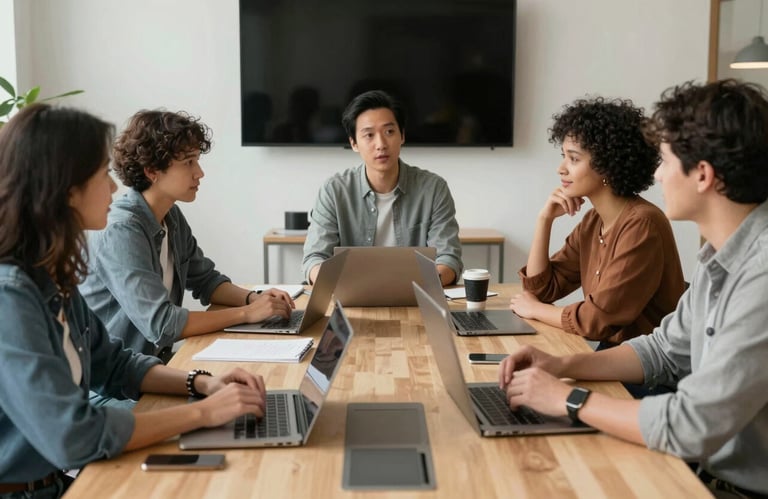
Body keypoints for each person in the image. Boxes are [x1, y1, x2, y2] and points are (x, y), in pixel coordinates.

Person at [498, 80, 768, 497]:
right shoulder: (718, 258)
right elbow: (662, 350)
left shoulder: (761, 275)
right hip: (708, 473)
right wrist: (560, 366)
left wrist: (569, 401)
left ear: (702, 175)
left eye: (663, 161)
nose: (655, 174)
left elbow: (690, 425)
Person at [0, 104, 267, 496]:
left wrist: (202, 383)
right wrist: (203, 413)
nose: (112, 187)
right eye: (100, 174)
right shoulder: (10, 297)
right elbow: (74, 436)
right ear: (62, 189)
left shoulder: (51, 277)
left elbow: (116, 364)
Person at [79, 110, 294, 405]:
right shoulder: (122, 230)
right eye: (188, 162)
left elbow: (206, 280)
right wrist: (247, 315)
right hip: (116, 389)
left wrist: (253, 299)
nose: (199, 173)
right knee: (238, 406)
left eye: (197, 160)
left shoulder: (171, 216)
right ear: (152, 171)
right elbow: (163, 324)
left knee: (251, 393)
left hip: (155, 370)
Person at [510, 97, 685, 348]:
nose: (561, 168)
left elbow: (596, 320)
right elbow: (542, 290)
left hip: (648, 370)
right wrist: (544, 220)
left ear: (607, 165)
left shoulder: (642, 225)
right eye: (564, 156)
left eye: (573, 158)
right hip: (614, 356)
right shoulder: (594, 220)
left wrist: (536, 310)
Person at [302, 90, 463, 286]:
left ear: (402, 135)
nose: (381, 144)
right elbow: (314, 258)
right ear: (354, 143)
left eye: (389, 132)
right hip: (350, 301)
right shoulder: (334, 191)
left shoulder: (433, 189)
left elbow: (448, 259)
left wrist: (419, 284)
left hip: (417, 299)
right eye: (369, 135)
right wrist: (339, 284)